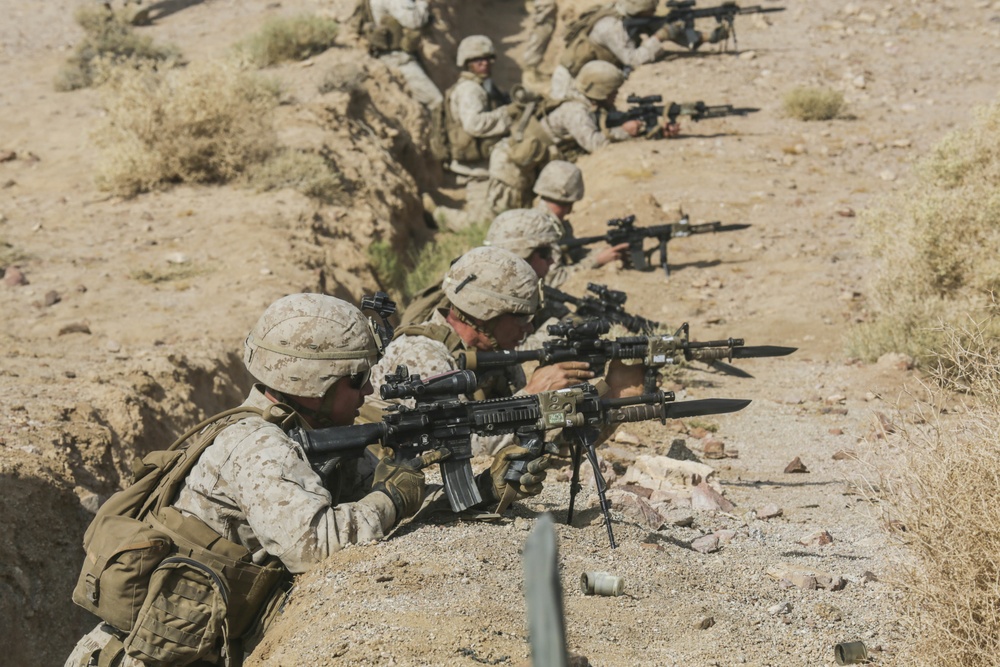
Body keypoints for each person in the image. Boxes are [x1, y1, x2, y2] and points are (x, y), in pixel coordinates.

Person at [371, 247, 602, 456]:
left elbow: (534, 439)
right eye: (523, 317)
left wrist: (605, 395)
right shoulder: (423, 356)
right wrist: (533, 398)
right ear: (486, 312)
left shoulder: (498, 357)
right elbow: (455, 451)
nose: (529, 327)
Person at [484, 61, 644, 215]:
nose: (616, 95)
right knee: (503, 217)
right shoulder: (576, 111)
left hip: (523, 164)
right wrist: (624, 131)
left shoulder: (579, 101)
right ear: (601, 91)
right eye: (613, 92)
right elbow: (595, 144)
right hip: (510, 168)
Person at [398, 207, 565, 326]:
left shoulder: (513, 291)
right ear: (523, 255)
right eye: (545, 253)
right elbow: (504, 346)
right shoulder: (486, 295)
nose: (551, 261)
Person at [550, 0, 727, 100]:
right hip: (570, 83)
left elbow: (660, 27)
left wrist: (707, 37)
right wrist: (658, 38)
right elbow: (633, 59)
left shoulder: (625, 13)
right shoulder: (612, 26)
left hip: (591, 76)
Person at [429, 35, 515, 230]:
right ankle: (439, 215)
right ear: (466, 63)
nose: (483, 63)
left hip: (483, 163)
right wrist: (507, 115)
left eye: (487, 59)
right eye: (477, 60)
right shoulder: (470, 90)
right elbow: (474, 124)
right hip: (476, 167)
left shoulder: (482, 85)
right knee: (483, 223)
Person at [532, 160, 628, 288]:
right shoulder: (542, 228)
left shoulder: (553, 222)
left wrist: (602, 252)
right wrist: (596, 261)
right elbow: (554, 279)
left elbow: (574, 253)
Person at [356, 0, 443, 107]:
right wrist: (423, 3)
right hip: (398, 59)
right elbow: (414, 20)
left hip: (390, 56)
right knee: (435, 100)